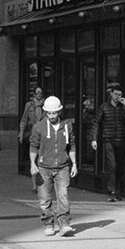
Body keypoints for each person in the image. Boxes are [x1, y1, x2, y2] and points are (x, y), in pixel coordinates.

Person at [31, 94, 77, 237]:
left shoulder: (67, 126)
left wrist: (74, 163)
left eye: (54, 113)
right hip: (44, 167)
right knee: (45, 198)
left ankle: (64, 224)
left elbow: (72, 146)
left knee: (63, 195)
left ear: (59, 112)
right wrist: (32, 164)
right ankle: (48, 224)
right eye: (49, 113)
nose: (51, 116)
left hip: (63, 166)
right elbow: (33, 146)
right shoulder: (38, 127)